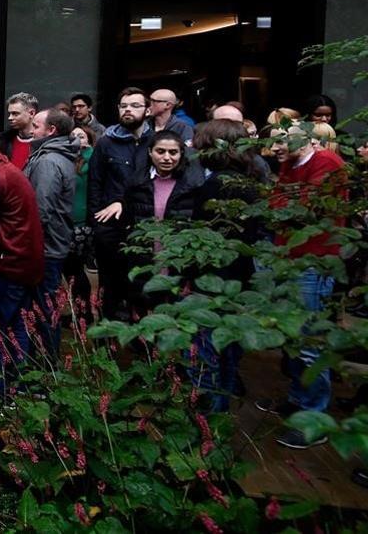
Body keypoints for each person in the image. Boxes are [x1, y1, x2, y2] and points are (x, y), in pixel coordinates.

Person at [255, 123, 347, 449]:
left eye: (281, 142)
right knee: (292, 336)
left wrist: (279, 206)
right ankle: (298, 399)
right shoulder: (289, 165)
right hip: (287, 257)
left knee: (310, 340)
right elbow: (275, 208)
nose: (274, 149)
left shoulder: (327, 164)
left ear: (307, 139)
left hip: (314, 262)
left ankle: (315, 419)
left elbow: (299, 210)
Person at [189, 120, 263, 412]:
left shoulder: (217, 184)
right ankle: (221, 411)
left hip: (214, 278)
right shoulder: (247, 179)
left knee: (207, 352)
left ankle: (208, 417)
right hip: (238, 277)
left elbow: (205, 239)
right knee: (228, 348)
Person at [93, 131, 201, 319]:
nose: (167, 157)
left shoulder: (192, 185)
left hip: (177, 262)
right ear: (150, 152)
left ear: (181, 154)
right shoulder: (137, 183)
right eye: (161, 151)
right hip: (144, 262)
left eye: (173, 152)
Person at [0, 138, 43, 407]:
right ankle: (16, 389)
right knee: (16, 328)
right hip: (27, 262)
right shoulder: (7, 170)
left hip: (9, 264)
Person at [89, 87, 153, 320]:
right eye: (124, 106)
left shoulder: (156, 142)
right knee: (110, 288)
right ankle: (108, 342)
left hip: (143, 224)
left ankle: (142, 345)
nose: (128, 110)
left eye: (135, 106)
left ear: (148, 110)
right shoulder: (106, 143)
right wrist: (96, 224)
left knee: (140, 288)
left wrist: (124, 203)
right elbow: (95, 183)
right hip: (110, 226)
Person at [23, 108, 79, 353]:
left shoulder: (48, 161)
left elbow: (41, 209)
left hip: (45, 247)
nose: (31, 130)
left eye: (35, 125)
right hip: (51, 244)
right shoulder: (55, 155)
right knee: (45, 309)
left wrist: (25, 244)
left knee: (43, 311)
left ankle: (45, 373)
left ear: (51, 130)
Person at [65, 125, 97, 315]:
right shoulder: (69, 159)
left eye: (82, 136)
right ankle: (79, 309)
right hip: (69, 220)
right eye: (73, 136)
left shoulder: (92, 159)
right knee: (71, 269)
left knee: (75, 268)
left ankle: (83, 310)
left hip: (83, 222)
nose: (77, 139)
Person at [0, 92, 38, 170]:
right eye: (9, 114)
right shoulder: (5, 140)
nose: (10, 118)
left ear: (31, 113)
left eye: (15, 114)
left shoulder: (43, 142)